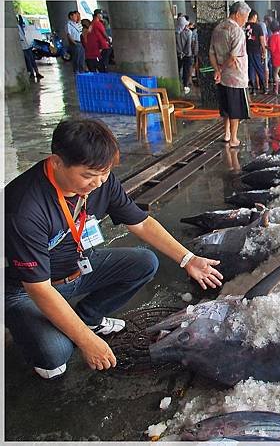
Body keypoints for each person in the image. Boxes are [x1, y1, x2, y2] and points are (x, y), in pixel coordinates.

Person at [4, 119, 223, 380]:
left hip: (77, 268)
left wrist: (188, 258)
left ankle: (89, 318)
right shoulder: (25, 208)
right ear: (56, 162)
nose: (97, 183)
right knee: (56, 355)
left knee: (144, 262)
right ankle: (34, 331)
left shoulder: (101, 181)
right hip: (26, 290)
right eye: (87, 175)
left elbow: (141, 223)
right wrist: (86, 342)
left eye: (104, 174)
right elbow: (38, 288)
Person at [209, 1, 251, 147]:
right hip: (235, 76)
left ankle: (226, 134)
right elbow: (233, 58)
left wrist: (217, 69)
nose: (246, 20)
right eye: (245, 17)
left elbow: (211, 53)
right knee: (235, 109)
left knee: (226, 107)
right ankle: (233, 138)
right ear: (238, 14)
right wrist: (221, 69)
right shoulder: (237, 32)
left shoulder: (218, 28)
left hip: (222, 78)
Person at [245, 10, 267, 95]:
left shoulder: (245, 26)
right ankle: (264, 87)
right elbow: (262, 40)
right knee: (259, 68)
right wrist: (264, 51)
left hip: (247, 50)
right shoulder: (258, 27)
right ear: (254, 16)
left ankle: (253, 89)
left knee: (251, 68)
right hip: (256, 51)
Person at [17, 15, 43, 80]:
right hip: (23, 47)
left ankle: (36, 73)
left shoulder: (20, 26)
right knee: (28, 61)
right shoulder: (17, 27)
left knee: (32, 60)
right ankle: (32, 73)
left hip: (27, 45)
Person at [176, 16, 194, 94]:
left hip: (178, 54)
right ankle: (185, 86)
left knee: (178, 69)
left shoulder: (175, 33)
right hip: (187, 55)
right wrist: (185, 53)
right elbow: (188, 45)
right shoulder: (189, 32)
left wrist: (180, 53)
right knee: (186, 71)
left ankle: (179, 85)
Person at [268, 20, 280, 94]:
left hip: (276, 58)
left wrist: (266, 47)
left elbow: (272, 49)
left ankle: (275, 90)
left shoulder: (272, 37)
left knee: (275, 74)